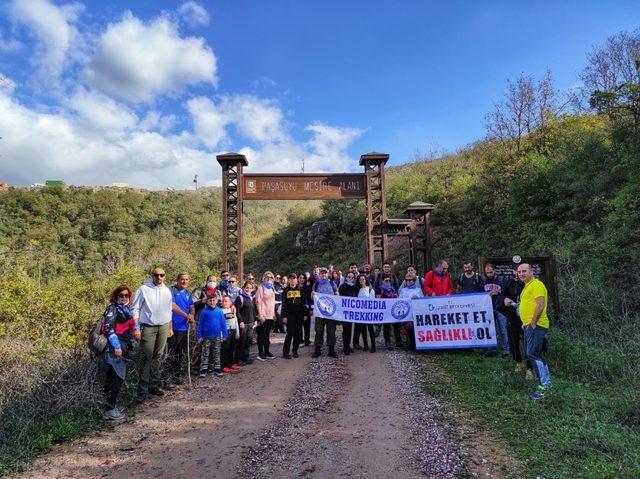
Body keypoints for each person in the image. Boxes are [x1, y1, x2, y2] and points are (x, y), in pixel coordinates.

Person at [131, 268, 173, 403]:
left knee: (158, 356)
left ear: (165, 276)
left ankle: (154, 386)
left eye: (162, 275)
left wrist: (170, 327)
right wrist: (136, 328)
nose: (159, 277)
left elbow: (169, 309)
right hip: (148, 327)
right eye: (156, 275)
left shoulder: (167, 290)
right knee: (146, 358)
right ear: (152, 275)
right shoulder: (143, 289)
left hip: (164, 326)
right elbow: (135, 308)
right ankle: (142, 391)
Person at [101, 285, 140, 420]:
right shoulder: (112, 309)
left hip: (124, 346)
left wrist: (136, 330)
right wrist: (116, 346)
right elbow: (108, 329)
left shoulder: (125, 310)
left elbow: (132, 323)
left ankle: (111, 406)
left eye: (126, 295)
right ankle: (109, 410)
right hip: (114, 349)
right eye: (121, 295)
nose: (124, 298)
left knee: (117, 378)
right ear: (116, 296)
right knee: (115, 378)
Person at [517, 263, 552, 400]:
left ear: (531, 271)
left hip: (536, 325)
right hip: (529, 326)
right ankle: (545, 384)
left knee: (533, 354)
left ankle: (544, 387)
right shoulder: (527, 286)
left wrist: (532, 323)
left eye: (524, 271)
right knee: (535, 354)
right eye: (519, 272)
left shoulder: (536, 284)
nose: (521, 274)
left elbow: (540, 304)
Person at [167, 273, 195, 388]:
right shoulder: (171, 291)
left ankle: (177, 376)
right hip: (173, 327)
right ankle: (168, 378)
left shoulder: (188, 293)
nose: (184, 281)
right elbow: (172, 306)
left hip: (184, 328)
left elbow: (192, 307)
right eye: (182, 279)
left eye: (186, 279)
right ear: (177, 280)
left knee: (180, 353)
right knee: (171, 353)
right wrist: (186, 315)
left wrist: (192, 316)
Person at [502, 264, 526, 373]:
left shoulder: (529, 283)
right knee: (513, 341)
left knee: (527, 342)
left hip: (526, 317)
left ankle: (530, 367)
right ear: (513, 271)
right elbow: (502, 295)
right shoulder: (509, 282)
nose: (519, 273)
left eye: (521, 271)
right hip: (512, 316)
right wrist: (505, 299)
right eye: (516, 270)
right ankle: (518, 362)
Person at [197, 294, 228, 378]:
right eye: (210, 300)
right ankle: (203, 370)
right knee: (205, 353)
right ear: (207, 301)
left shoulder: (219, 311)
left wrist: (225, 335)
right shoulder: (204, 311)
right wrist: (199, 336)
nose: (212, 302)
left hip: (217, 336)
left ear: (217, 301)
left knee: (216, 352)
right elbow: (200, 324)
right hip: (206, 336)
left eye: (214, 300)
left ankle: (217, 369)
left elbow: (223, 324)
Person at [483, 263, 509, 357]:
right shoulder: (484, 280)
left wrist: (498, 292)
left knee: (503, 330)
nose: (489, 274)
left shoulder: (502, 280)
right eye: (487, 273)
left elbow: (507, 292)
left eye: (490, 272)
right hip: (489, 308)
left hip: (501, 308)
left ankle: (506, 350)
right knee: (491, 330)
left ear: (494, 271)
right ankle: (493, 350)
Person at [312, 267, 339, 358]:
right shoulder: (316, 284)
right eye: (322, 273)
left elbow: (337, 294)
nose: (323, 275)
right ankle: (317, 350)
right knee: (319, 330)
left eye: (325, 273)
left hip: (331, 312)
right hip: (320, 312)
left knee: (331, 330)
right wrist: (313, 296)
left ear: (328, 274)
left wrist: (337, 298)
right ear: (319, 274)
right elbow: (312, 297)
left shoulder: (332, 283)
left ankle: (331, 350)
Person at [399, 273, 424, 351]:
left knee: (415, 329)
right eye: (407, 280)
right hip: (406, 313)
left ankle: (417, 345)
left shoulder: (418, 290)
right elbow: (399, 300)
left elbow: (423, 300)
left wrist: (417, 298)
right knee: (408, 329)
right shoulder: (403, 290)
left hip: (415, 313)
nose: (408, 282)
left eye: (410, 280)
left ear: (414, 281)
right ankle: (410, 345)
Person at [281, 273, 304, 359]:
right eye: (290, 279)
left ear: (296, 280)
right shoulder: (286, 290)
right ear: (289, 280)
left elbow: (303, 302)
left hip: (299, 314)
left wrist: (304, 314)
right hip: (289, 315)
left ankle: (295, 351)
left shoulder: (300, 289)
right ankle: (285, 352)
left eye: (293, 278)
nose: (292, 280)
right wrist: (284, 316)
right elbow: (283, 304)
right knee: (290, 333)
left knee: (297, 333)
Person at [255, 272, 277, 361]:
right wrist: (260, 314)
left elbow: (272, 303)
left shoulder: (272, 288)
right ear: (263, 278)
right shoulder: (261, 288)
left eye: (271, 277)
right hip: (263, 315)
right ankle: (260, 353)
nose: (269, 279)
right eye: (267, 277)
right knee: (261, 335)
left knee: (267, 335)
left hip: (270, 315)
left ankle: (267, 352)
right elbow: (258, 302)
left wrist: (274, 314)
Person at [235, 281, 257, 365]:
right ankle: (239, 359)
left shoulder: (251, 298)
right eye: (247, 287)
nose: (248, 289)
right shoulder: (240, 298)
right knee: (241, 341)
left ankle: (246, 358)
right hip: (244, 323)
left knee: (248, 340)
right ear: (243, 288)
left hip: (251, 323)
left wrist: (255, 319)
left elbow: (253, 310)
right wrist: (240, 321)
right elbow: (237, 311)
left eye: (250, 288)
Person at [353, 274, 376, 352]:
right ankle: (366, 345)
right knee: (363, 330)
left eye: (363, 279)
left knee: (371, 330)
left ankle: (373, 346)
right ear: (358, 281)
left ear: (366, 280)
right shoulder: (358, 290)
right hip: (361, 314)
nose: (362, 281)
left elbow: (373, 301)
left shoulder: (370, 289)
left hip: (369, 313)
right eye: (360, 280)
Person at [379, 274, 402, 349]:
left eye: (389, 280)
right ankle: (387, 341)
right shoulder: (381, 290)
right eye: (386, 280)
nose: (388, 282)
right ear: (382, 281)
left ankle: (398, 341)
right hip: (385, 311)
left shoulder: (392, 288)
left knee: (396, 325)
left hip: (393, 310)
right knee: (386, 326)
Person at [338, 271, 358, 355]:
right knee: (345, 329)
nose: (350, 278)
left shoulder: (355, 287)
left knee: (350, 329)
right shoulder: (342, 286)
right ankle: (345, 347)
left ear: (354, 279)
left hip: (352, 311)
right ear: (346, 278)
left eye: (352, 277)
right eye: (349, 277)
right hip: (345, 311)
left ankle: (348, 346)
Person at [220, 295, 240, 374]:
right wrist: (221, 334)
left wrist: (237, 332)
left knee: (232, 348)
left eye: (226, 301)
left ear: (230, 302)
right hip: (225, 331)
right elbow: (220, 324)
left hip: (233, 330)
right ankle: (224, 365)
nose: (225, 303)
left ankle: (231, 363)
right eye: (223, 301)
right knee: (225, 349)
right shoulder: (220, 311)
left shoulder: (232, 310)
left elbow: (236, 321)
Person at [299, 273, 313, 346]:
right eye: (300, 278)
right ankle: (300, 340)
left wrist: (311, 308)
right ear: (298, 279)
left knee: (307, 325)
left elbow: (310, 299)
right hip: (298, 309)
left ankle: (307, 340)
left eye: (303, 278)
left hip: (306, 308)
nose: (302, 279)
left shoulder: (308, 287)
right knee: (299, 325)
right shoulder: (295, 287)